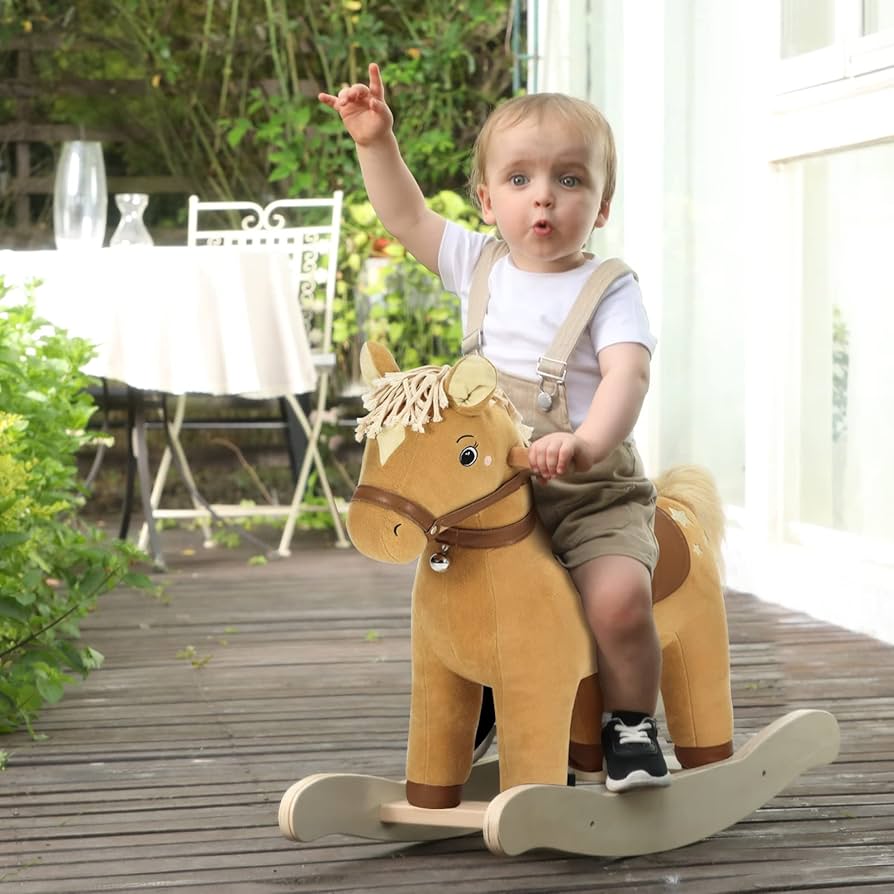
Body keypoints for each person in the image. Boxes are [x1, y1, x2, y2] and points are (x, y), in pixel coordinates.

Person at [320, 63, 670, 792]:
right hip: (485, 493)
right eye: (519, 180)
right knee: (463, 600)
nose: (543, 194)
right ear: (486, 199)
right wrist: (376, 142)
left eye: (571, 180)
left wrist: (583, 444)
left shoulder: (610, 288)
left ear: (602, 206)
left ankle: (630, 723)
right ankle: (480, 700)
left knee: (617, 599)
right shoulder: (477, 264)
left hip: (587, 496)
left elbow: (625, 377)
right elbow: (405, 217)